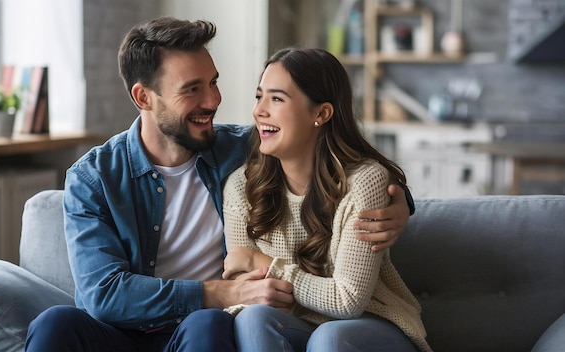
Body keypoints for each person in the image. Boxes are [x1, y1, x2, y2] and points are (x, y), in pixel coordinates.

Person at [25, 17, 414, 352]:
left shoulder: (240, 150)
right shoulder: (94, 178)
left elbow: (326, 151)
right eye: (192, 88)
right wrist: (220, 292)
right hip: (121, 333)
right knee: (55, 323)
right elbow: (104, 295)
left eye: (213, 82)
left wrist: (399, 199)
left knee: (207, 324)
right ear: (144, 97)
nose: (213, 100)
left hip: (200, 330)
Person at [221, 47, 432, 352]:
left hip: (371, 329)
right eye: (259, 96)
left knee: (329, 338)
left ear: (321, 113)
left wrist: (263, 263)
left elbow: (348, 301)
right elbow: (247, 292)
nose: (259, 111)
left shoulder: (365, 181)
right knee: (253, 319)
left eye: (277, 99)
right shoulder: (241, 186)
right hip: (296, 326)